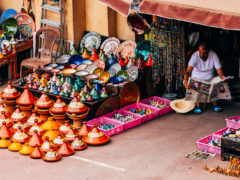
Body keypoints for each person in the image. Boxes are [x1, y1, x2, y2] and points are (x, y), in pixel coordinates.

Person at [184, 41, 226, 114]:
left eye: (204, 53)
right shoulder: (195, 56)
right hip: (196, 78)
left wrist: (222, 76)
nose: (201, 55)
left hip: (209, 79)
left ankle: (215, 105)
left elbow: (219, 70)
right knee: (193, 84)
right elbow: (187, 72)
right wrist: (185, 83)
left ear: (208, 51)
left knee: (219, 81)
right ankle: (198, 106)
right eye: (200, 52)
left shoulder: (213, 55)